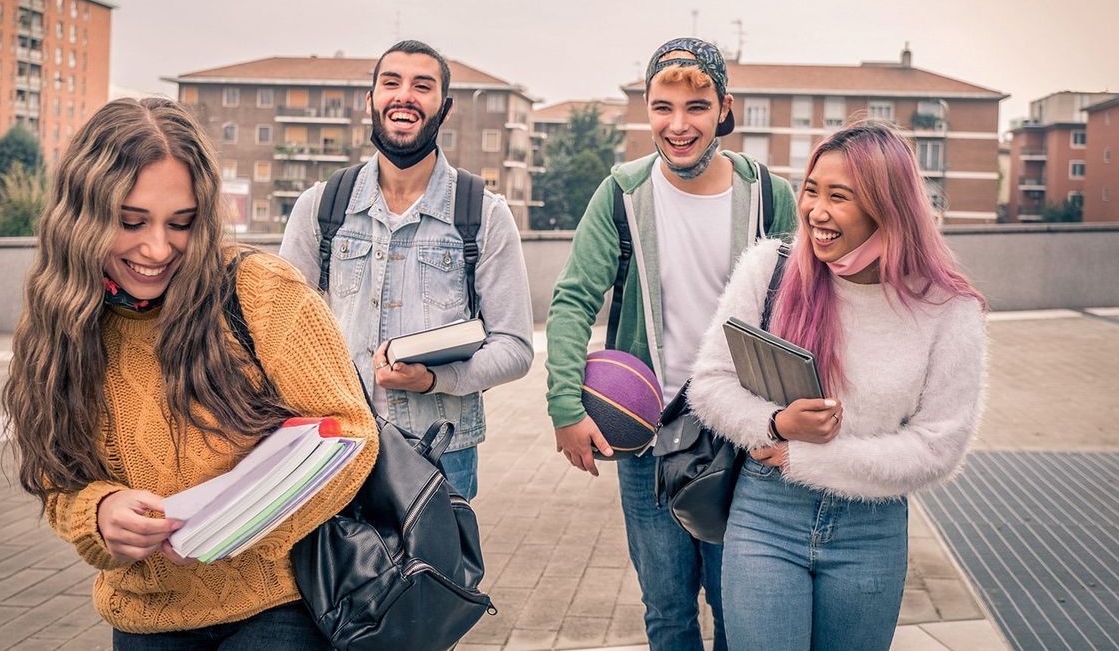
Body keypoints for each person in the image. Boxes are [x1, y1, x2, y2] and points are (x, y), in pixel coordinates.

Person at [2, 97, 378, 648]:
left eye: (181, 223)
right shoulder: (58, 324)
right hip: (145, 618)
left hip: (282, 604)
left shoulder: (261, 291)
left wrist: (239, 529)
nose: (156, 248)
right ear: (80, 218)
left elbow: (354, 436)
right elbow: (53, 477)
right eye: (130, 222)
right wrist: (98, 512)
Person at [689, 120, 988, 650]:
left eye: (839, 197)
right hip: (766, 515)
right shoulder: (769, 269)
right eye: (811, 190)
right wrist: (774, 424)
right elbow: (710, 383)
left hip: (870, 529)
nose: (815, 211)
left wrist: (805, 458)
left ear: (886, 206)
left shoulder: (949, 309)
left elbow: (938, 447)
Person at [544, 37, 797, 650]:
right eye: (663, 107)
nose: (678, 125)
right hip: (645, 433)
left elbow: (803, 315)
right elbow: (574, 299)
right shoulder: (622, 193)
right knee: (667, 608)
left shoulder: (769, 196)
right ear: (647, 110)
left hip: (740, 432)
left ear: (724, 108)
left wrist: (788, 426)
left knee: (739, 605)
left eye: (696, 107)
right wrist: (565, 409)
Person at [281, 40, 534, 500]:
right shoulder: (320, 208)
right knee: (332, 575)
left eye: (423, 86)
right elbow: (278, 334)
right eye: (391, 82)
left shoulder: (483, 214)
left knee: (437, 575)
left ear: (445, 108)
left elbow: (515, 346)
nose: (405, 95)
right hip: (335, 448)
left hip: (442, 452)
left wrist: (437, 379)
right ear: (371, 100)